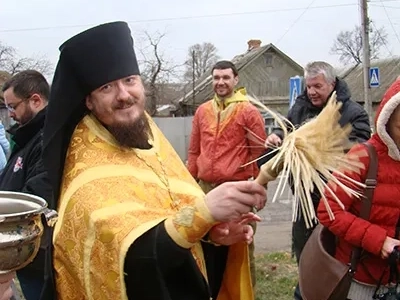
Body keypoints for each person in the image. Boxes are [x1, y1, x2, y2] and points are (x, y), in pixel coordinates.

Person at [41, 21, 267, 300]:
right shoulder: (87, 168)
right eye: (107, 87)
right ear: (89, 101)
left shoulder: (150, 137)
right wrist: (204, 213)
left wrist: (213, 236)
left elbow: (173, 214)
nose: (124, 95)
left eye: (129, 80)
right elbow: (131, 257)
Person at [260, 61, 371, 300]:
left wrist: (320, 148)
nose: (311, 91)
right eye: (308, 86)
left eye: (317, 86)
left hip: (336, 204)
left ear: (332, 84)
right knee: (305, 255)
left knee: (333, 258)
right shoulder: (299, 108)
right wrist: (277, 136)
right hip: (304, 200)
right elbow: (287, 130)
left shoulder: (352, 113)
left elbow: (361, 152)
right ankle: (306, 292)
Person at [317, 78, 400, 299]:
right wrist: (379, 241)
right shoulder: (363, 156)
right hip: (360, 280)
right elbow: (329, 210)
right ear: (387, 118)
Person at [187, 60, 266, 286]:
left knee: (239, 246)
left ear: (236, 80)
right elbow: (194, 150)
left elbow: (259, 155)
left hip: (236, 189)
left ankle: (244, 292)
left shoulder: (248, 111)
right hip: (205, 189)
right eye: (216, 78)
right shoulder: (202, 111)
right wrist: (189, 183)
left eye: (225, 78)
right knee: (205, 245)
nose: (220, 82)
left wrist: (258, 190)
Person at [0, 70, 53, 300]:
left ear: (36, 100)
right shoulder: (27, 136)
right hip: (25, 251)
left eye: (13, 106)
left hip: (38, 254)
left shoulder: (46, 141)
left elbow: (36, 197)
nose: (10, 114)